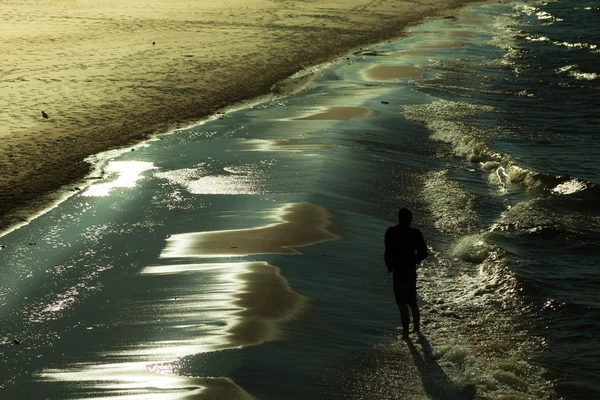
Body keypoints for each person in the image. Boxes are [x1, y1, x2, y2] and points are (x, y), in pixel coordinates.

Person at [384, 208, 428, 339]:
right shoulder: (415, 233)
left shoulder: (391, 231)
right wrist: (415, 260)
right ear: (409, 219)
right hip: (409, 270)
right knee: (412, 301)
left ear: (399, 217)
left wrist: (390, 266)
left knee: (401, 302)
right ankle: (416, 329)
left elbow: (387, 251)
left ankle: (405, 333)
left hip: (398, 270)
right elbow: (423, 253)